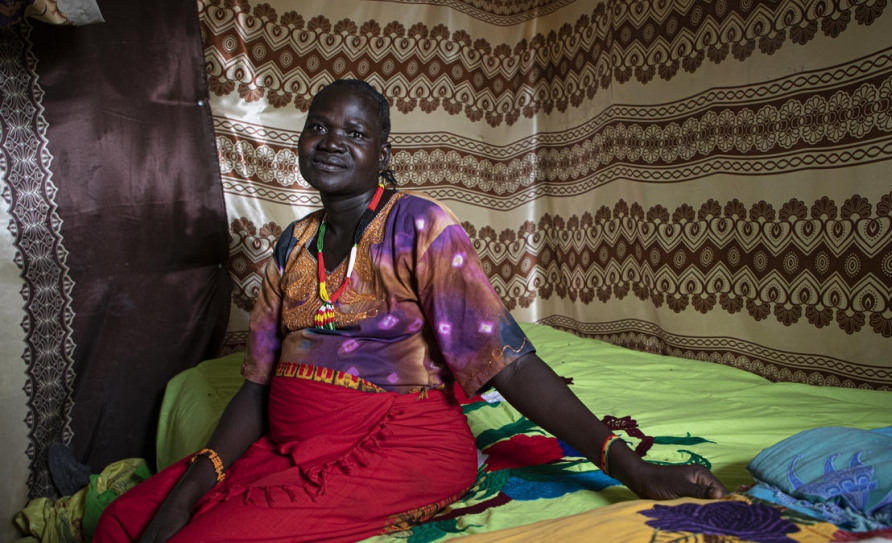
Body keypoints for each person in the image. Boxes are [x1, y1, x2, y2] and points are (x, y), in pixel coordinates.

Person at [94, 79, 726, 543]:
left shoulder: (420, 224)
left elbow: (504, 359)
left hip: (395, 443)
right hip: (296, 444)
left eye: (354, 132)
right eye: (319, 126)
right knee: (132, 519)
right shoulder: (291, 245)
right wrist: (199, 475)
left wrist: (632, 468)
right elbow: (257, 387)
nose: (331, 141)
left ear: (382, 153)